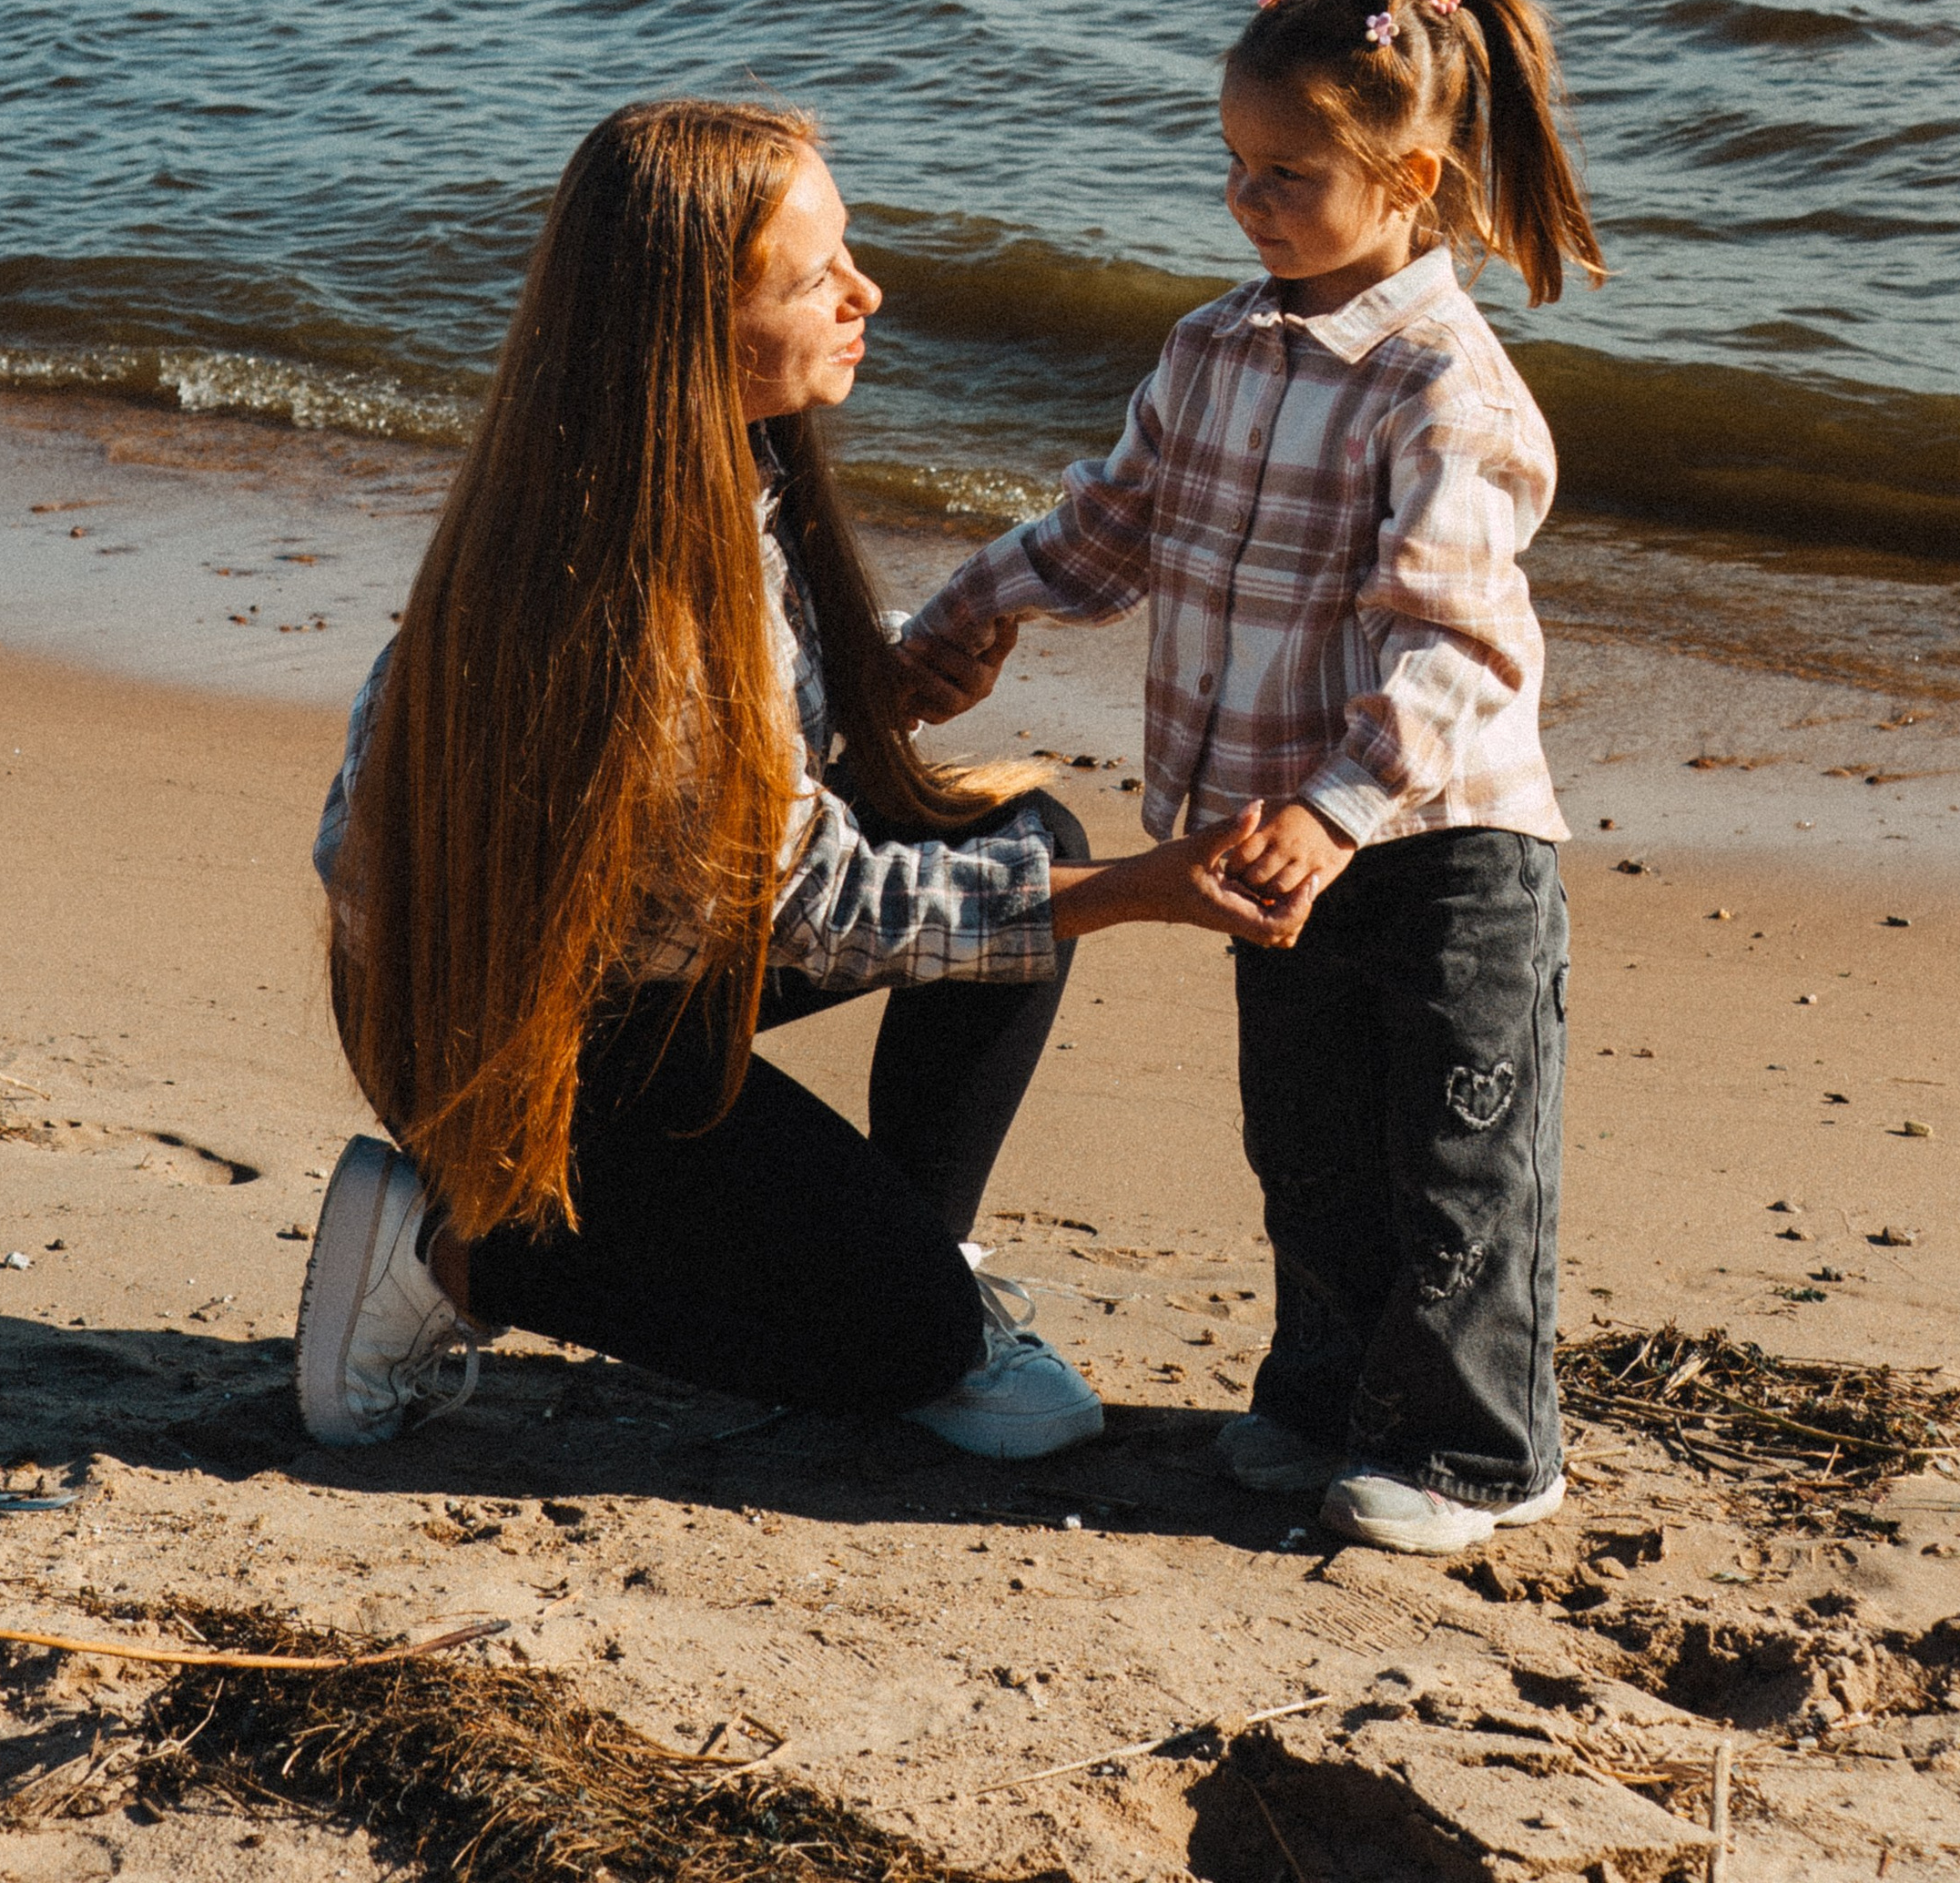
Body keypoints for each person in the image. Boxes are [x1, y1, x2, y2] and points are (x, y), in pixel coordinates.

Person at [297, 95, 1288, 1461]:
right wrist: (1133, 892)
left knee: (1016, 823)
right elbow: (809, 904)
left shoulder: (675, 461)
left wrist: (879, 673)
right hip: (505, 1045)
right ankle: (460, 1253)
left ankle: (908, 1264)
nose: (866, 292)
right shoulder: (627, 580)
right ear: (692, 318)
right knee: (903, 1336)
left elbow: (722, 750)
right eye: (816, 276)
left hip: (574, 965)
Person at [904, 0, 1605, 1555]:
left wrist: (1343, 806)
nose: (1247, 201)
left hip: (1440, 848)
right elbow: (1113, 523)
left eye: (1286, 175)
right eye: (1233, 164)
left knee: (1454, 1151)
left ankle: (1484, 1450)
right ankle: (1325, 1395)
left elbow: (1458, 644)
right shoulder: (1217, 348)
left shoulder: (1442, 390)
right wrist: (970, 615)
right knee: (1303, 1139)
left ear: (1408, 181)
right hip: (1263, 836)